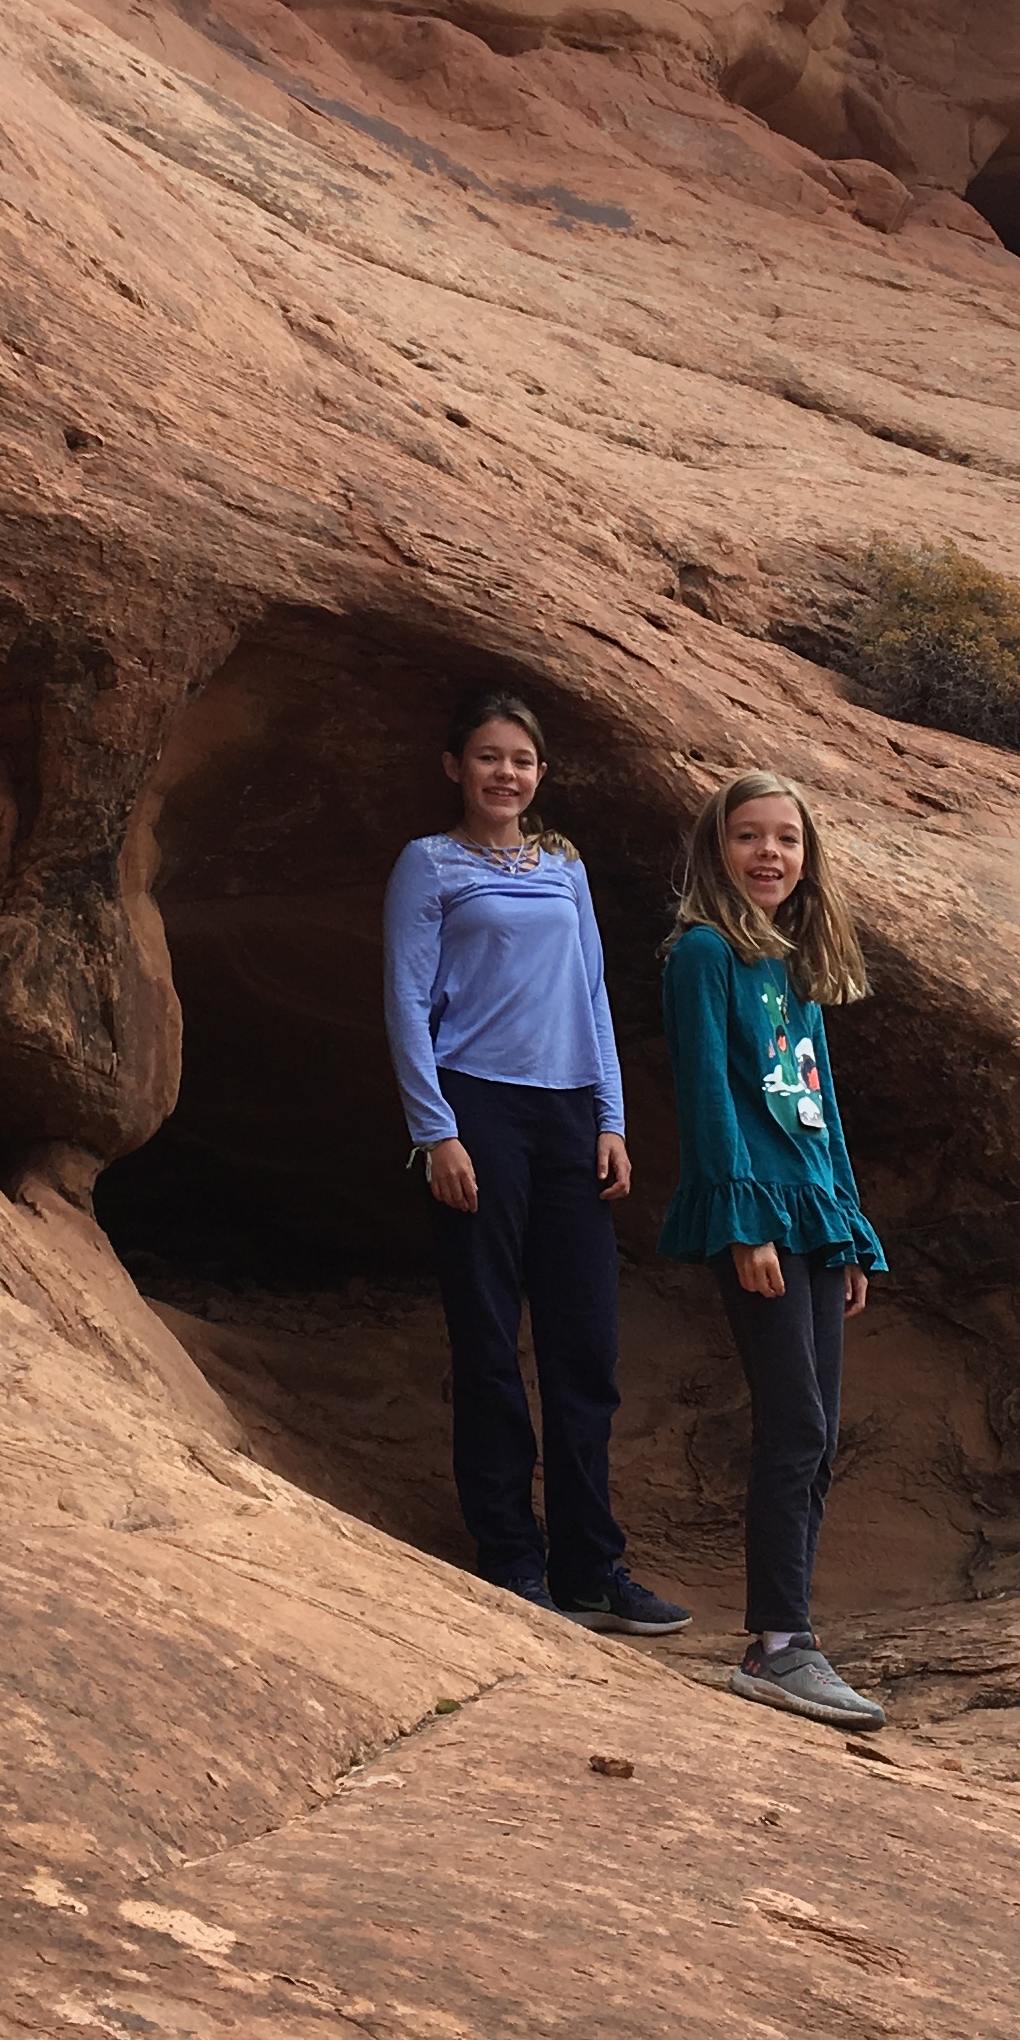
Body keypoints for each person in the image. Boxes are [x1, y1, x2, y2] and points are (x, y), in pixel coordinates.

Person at [383, 691, 692, 1636]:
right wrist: (436, 1132)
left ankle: (592, 1567)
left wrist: (611, 1119)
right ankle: (512, 1557)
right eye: (488, 757)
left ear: (541, 774)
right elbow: (405, 1001)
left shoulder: (563, 864)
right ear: (455, 767)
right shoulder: (429, 863)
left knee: (583, 1346)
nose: (505, 774)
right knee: (487, 1339)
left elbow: (592, 993)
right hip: (476, 1106)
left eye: (520, 760)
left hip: (568, 1115)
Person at [657, 768, 888, 1729]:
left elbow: (819, 1104)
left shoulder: (793, 965)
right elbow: (707, 1094)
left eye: (786, 839)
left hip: (811, 1217)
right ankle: (778, 1645)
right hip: (753, 1214)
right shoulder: (703, 954)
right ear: (717, 850)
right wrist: (744, 1220)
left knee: (819, 1433)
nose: (769, 854)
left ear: (807, 857)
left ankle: (793, 1637)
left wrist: (851, 1229)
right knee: (793, 1423)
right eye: (748, 836)